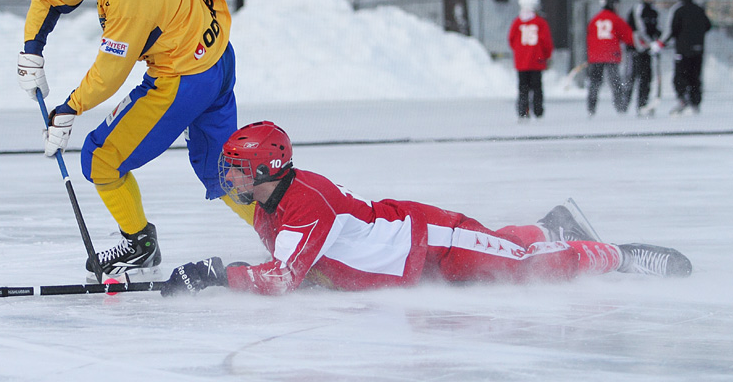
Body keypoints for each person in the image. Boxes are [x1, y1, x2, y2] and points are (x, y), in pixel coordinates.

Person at [160, 121, 692, 296]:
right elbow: (308, 263)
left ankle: (614, 254)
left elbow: (281, 279)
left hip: (431, 240)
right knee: (502, 249)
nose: (227, 176)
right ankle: (549, 224)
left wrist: (215, 273)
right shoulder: (267, 206)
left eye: (235, 167)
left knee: (529, 269)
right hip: (412, 258)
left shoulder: (302, 205)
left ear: (266, 169)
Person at [16, 0, 252, 279]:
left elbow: (110, 74)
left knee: (100, 158)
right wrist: (31, 49)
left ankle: (140, 245)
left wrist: (69, 108)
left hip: (183, 77)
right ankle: (289, 235)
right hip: (216, 57)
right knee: (222, 171)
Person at [659, 0, 712, 115]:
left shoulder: (678, 9)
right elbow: (708, 26)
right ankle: (695, 102)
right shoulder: (699, 9)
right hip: (698, 50)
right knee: (695, 76)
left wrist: (660, 43)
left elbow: (671, 30)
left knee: (681, 76)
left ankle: (683, 100)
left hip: (682, 51)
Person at [507, 0, 554, 121]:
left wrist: (519, 52)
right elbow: (546, 42)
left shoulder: (517, 22)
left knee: (523, 87)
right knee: (537, 87)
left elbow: (511, 39)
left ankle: (523, 110)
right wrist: (547, 56)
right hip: (537, 61)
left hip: (521, 62)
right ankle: (538, 111)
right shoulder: (540, 23)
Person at [586, 0, 634, 116]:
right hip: (611, 55)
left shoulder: (595, 19)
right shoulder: (616, 19)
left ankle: (591, 108)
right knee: (615, 82)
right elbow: (628, 37)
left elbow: (590, 37)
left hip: (596, 56)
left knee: (595, 83)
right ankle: (620, 107)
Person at [624, 0, 663, 117]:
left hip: (647, 51)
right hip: (635, 50)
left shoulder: (654, 11)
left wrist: (658, 42)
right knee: (631, 78)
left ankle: (642, 104)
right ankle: (623, 106)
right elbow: (639, 30)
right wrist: (649, 44)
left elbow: (656, 30)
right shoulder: (638, 9)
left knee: (646, 78)